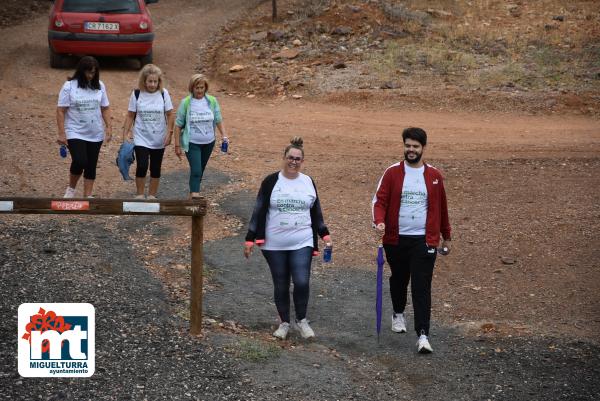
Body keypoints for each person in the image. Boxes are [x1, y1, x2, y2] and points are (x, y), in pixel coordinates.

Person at [372, 127, 451, 353]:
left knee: (421, 285)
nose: (411, 150)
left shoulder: (434, 176)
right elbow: (380, 201)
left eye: (415, 146)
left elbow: (442, 208)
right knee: (399, 278)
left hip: (424, 240)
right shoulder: (392, 173)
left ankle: (423, 335)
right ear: (404, 146)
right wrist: (379, 221)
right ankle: (398, 313)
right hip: (395, 238)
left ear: (423, 148)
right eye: (408, 145)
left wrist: (447, 236)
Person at [244, 137, 331, 340]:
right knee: (281, 284)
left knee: (301, 281)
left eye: (298, 159)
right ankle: (284, 323)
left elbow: (316, 211)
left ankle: (302, 321)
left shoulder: (308, 182)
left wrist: (324, 234)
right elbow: (258, 210)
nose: (294, 162)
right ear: (283, 158)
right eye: (290, 158)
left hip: (302, 241)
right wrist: (249, 239)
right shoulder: (271, 181)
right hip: (274, 244)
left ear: (303, 161)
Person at [57, 56, 112, 198]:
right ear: (81, 71)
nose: (90, 75)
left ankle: (88, 196)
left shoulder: (100, 85)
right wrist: (62, 133)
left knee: (91, 164)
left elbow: (105, 108)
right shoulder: (69, 86)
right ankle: (71, 189)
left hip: (95, 133)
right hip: (74, 131)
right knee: (80, 160)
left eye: (93, 73)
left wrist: (109, 127)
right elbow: (61, 110)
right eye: (87, 72)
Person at [121, 64, 174, 199]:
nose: (152, 84)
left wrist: (169, 133)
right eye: (150, 81)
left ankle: (152, 195)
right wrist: (125, 133)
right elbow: (130, 115)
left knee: (155, 168)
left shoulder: (163, 93)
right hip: (141, 137)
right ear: (144, 81)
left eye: (155, 81)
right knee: (142, 165)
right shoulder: (137, 94)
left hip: (159, 137)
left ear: (159, 81)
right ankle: (139, 194)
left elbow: (170, 114)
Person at [173, 74, 229, 198]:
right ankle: (195, 196)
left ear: (205, 88)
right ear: (192, 88)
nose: (199, 90)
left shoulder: (212, 101)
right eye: (197, 88)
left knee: (200, 169)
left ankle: (193, 192)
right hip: (192, 143)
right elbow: (178, 125)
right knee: (197, 170)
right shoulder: (186, 102)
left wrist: (224, 135)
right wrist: (177, 145)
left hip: (209, 142)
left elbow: (218, 119)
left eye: (201, 87)